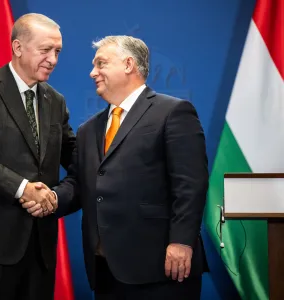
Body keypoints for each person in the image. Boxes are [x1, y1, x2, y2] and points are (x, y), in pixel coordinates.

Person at [23, 35, 209, 299]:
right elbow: (80, 183)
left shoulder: (173, 112)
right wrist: (51, 198)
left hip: (161, 267)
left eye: (101, 64)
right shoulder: (89, 129)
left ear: (128, 64)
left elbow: (190, 184)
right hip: (106, 269)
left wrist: (181, 240)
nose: (92, 72)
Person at [0, 13, 76, 300]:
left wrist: (58, 196)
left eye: (57, 51)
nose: (53, 59)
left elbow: (76, 158)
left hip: (39, 248)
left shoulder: (55, 100)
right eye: (45, 50)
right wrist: (22, 188)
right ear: (18, 48)